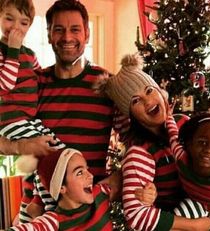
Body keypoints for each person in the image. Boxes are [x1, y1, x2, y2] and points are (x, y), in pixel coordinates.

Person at [0, 0, 156, 224]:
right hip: (36, 212)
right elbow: (6, 129)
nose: (67, 38)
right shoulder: (33, 83)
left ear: (87, 34)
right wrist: (20, 146)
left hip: (89, 213)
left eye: (75, 29)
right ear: (49, 35)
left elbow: (136, 142)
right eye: (59, 30)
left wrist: (121, 178)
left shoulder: (107, 85)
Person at [93, 52, 210, 231]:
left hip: (209, 206)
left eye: (149, 90)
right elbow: (136, 215)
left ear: (159, 91)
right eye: (136, 101)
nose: (148, 101)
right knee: (195, 210)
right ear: (131, 115)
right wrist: (194, 225)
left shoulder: (184, 123)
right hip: (180, 220)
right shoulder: (140, 152)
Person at [0, 0, 64, 155]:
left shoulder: (30, 55)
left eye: (23, 23)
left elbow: (41, 81)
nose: (16, 27)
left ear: (29, 26)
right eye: (9, 19)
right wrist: (13, 50)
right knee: (50, 150)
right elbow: (5, 85)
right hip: (10, 119)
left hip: (30, 118)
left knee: (58, 147)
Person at [6, 148, 117, 230]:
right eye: (79, 173)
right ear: (61, 187)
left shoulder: (100, 193)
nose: (91, 176)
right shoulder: (53, 221)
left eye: (87, 169)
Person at [166, 111, 210, 230]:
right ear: (189, 144)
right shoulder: (181, 158)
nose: (208, 149)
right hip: (202, 210)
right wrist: (168, 117)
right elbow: (173, 135)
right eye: (202, 142)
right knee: (185, 209)